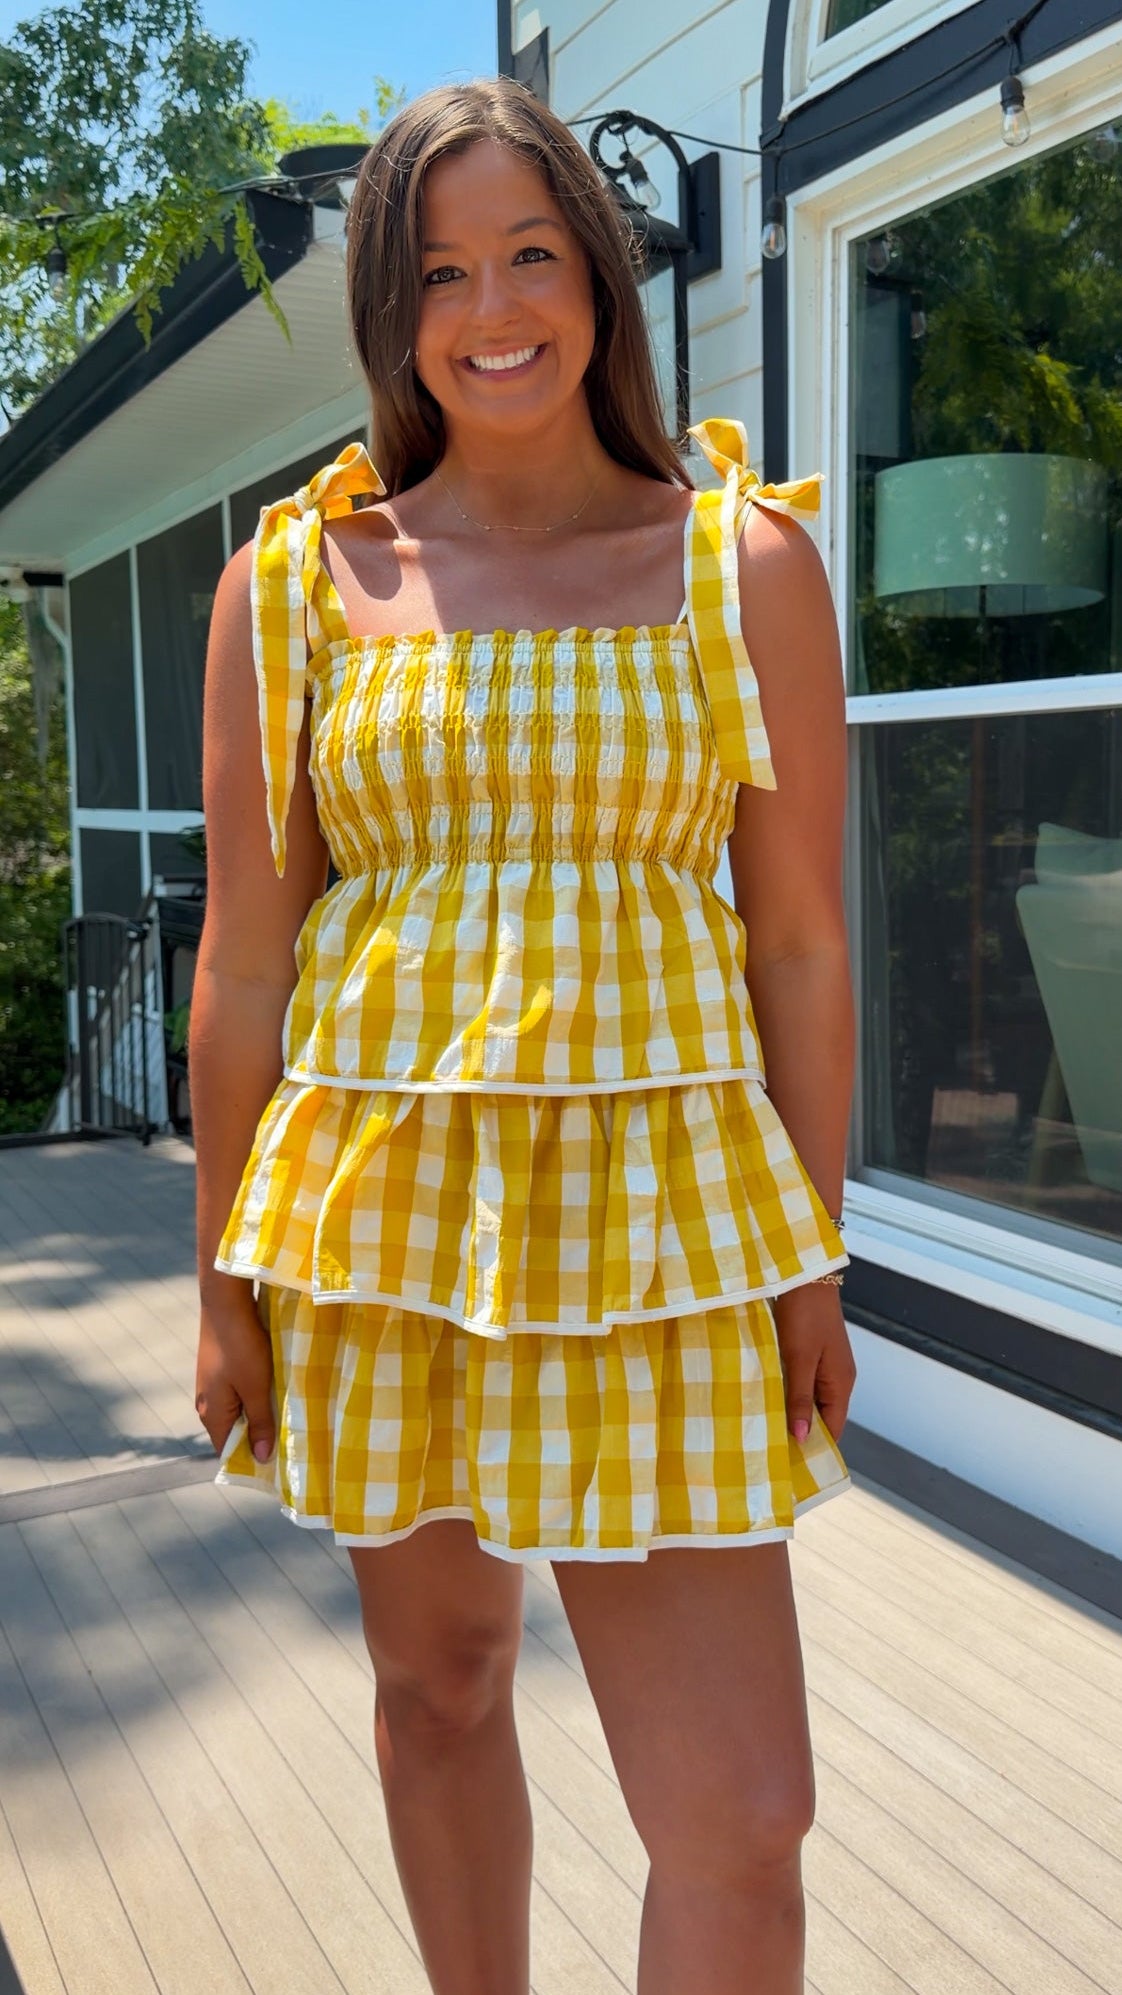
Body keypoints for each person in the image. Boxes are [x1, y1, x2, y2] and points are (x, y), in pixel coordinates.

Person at [193, 76, 855, 1995]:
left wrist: (809, 1256)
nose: (492, 310)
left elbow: (801, 949)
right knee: (439, 1686)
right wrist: (225, 1278)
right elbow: (245, 966)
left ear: (599, 277)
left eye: (533, 255)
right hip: (378, 1236)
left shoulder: (743, 570)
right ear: (392, 313)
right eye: (441, 271)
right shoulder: (294, 590)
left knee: (741, 1818)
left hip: (662, 1251)